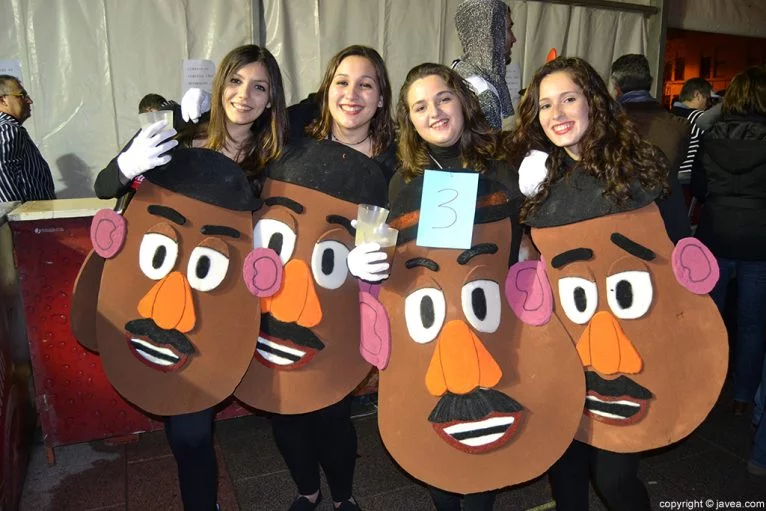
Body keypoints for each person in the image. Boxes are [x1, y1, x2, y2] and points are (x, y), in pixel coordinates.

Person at [93, 44, 288, 511]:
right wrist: (130, 162)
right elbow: (104, 185)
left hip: (228, 306)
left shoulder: (274, 161)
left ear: (270, 100)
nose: (245, 95)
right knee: (189, 430)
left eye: (259, 87)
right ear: (220, 84)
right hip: (167, 300)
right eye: (236, 81)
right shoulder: (177, 138)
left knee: (212, 423)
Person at [507, 56, 681, 511]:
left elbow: (676, 250)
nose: (557, 114)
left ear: (594, 102)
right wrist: (525, 212)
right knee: (565, 465)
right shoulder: (543, 177)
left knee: (614, 473)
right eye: (545, 105)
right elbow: (528, 262)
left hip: (628, 340)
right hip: (565, 341)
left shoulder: (639, 166)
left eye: (568, 99)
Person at [353, 62, 523, 511]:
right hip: (428, 327)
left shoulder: (501, 170)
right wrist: (369, 261)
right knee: (437, 436)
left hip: (489, 322)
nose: (435, 113)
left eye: (443, 99)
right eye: (420, 107)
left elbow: (520, 252)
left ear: (462, 101)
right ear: (409, 120)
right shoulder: (403, 179)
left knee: (484, 431)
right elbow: (392, 258)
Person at [691, 66, 766, 423]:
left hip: (716, 233)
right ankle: (742, 396)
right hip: (759, 239)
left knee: (711, 319)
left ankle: (704, 387)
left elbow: (700, 188)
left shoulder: (711, 134)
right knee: (752, 325)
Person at [609, 53, 691, 242]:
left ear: (616, 87)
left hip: (620, 220)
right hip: (668, 219)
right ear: (651, 82)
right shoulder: (680, 126)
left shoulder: (607, 126)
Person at [301, 45, 397, 181]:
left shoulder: (397, 165)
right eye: (342, 82)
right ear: (327, 92)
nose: (351, 95)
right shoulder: (295, 136)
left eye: (365, 85)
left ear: (381, 99)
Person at [452, 0, 516, 130]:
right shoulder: (481, 89)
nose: (514, 38)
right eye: (509, 29)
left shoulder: (456, 71)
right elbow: (489, 148)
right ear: (492, 34)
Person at [0, 75, 55, 202]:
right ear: (3, 101)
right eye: (22, 95)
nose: (29, 101)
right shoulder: (7, 128)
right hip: (23, 219)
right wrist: (14, 216)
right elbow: (1, 171)